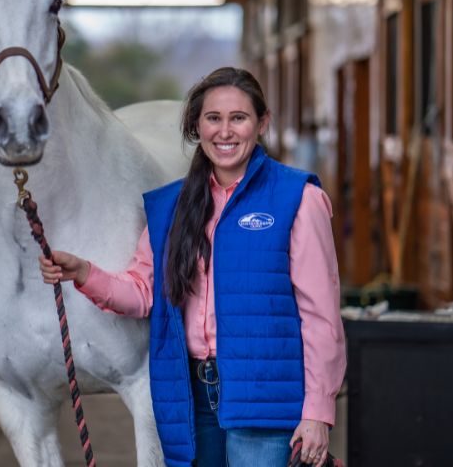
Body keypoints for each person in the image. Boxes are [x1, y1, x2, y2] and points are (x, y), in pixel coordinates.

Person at [40, 67, 346, 467]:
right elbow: (143, 292)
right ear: (196, 126)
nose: (225, 132)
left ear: (262, 123)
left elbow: (321, 317)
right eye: (213, 118)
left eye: (239, 118)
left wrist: (317, 412)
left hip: (266, 396)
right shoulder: (171, 206)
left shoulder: (298, 198)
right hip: (191, 397)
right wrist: (84, 272)